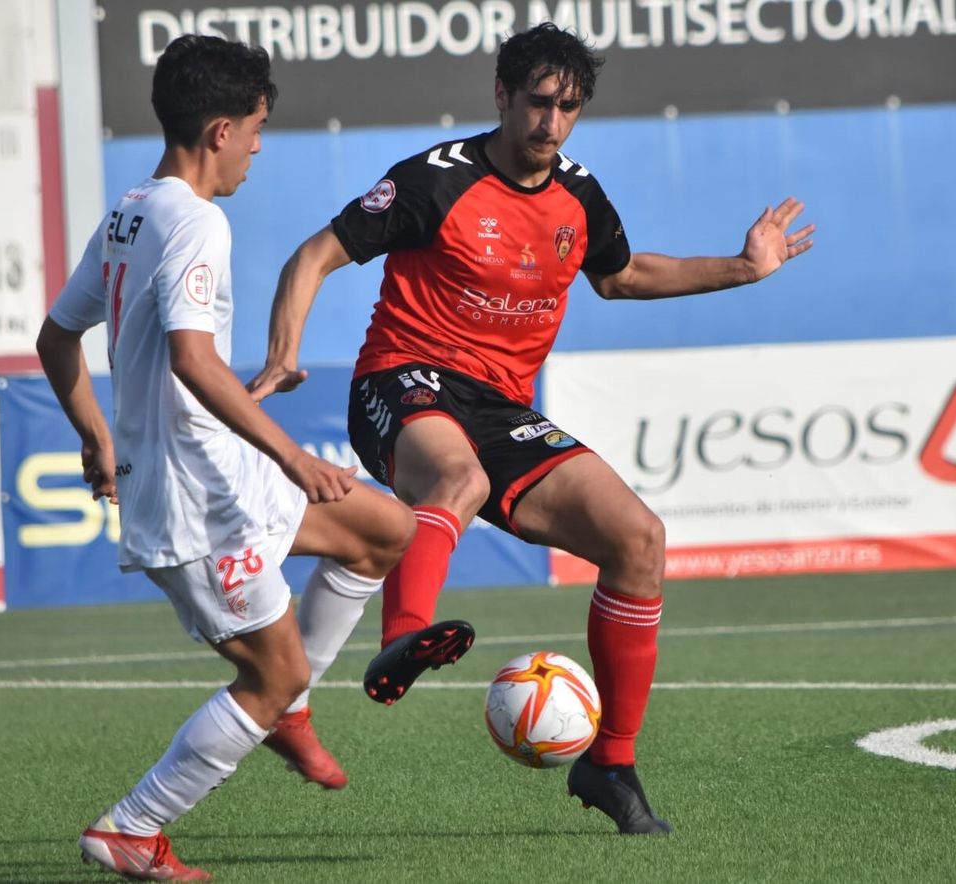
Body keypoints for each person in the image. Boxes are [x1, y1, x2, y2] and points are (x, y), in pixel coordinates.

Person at [249, 23, 813, 836]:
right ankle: (403, 640)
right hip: (400, 382)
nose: (553, 123)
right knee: (460, 481)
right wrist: (284, 352)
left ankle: (610, 762)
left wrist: (744, 265)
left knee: (639, 539)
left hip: (502, 409)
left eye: (570, 107)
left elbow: (621, 278)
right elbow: (315, 255)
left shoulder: (578, 196)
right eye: (540, 103)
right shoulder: (434, 181)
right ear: (502, 97)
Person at [36, 35, 414, 880]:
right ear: (217, 130)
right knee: (271, 672)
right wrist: (295, 458)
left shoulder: (134, 208)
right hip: (193, 499)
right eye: (254, 128)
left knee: (384, 530)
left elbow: (58, 336)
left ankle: (288, 709)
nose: (257, 146)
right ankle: (133, 829)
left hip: (213, 471)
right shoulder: (198, 220)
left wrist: (96, 435)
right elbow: (191, 360)